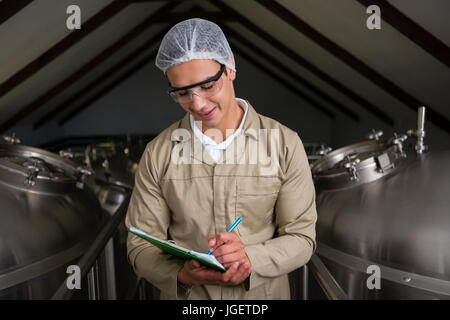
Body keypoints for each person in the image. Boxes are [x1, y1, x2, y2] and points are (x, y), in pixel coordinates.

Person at [125, 18, 317, 300]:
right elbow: (139, 245)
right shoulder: (158, 153)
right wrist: (180, 274)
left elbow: (302, 238)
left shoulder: (284, 144)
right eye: (182, 93)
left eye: (207, 86)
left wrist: (252, 258)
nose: (198, 104)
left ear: (230, 69)